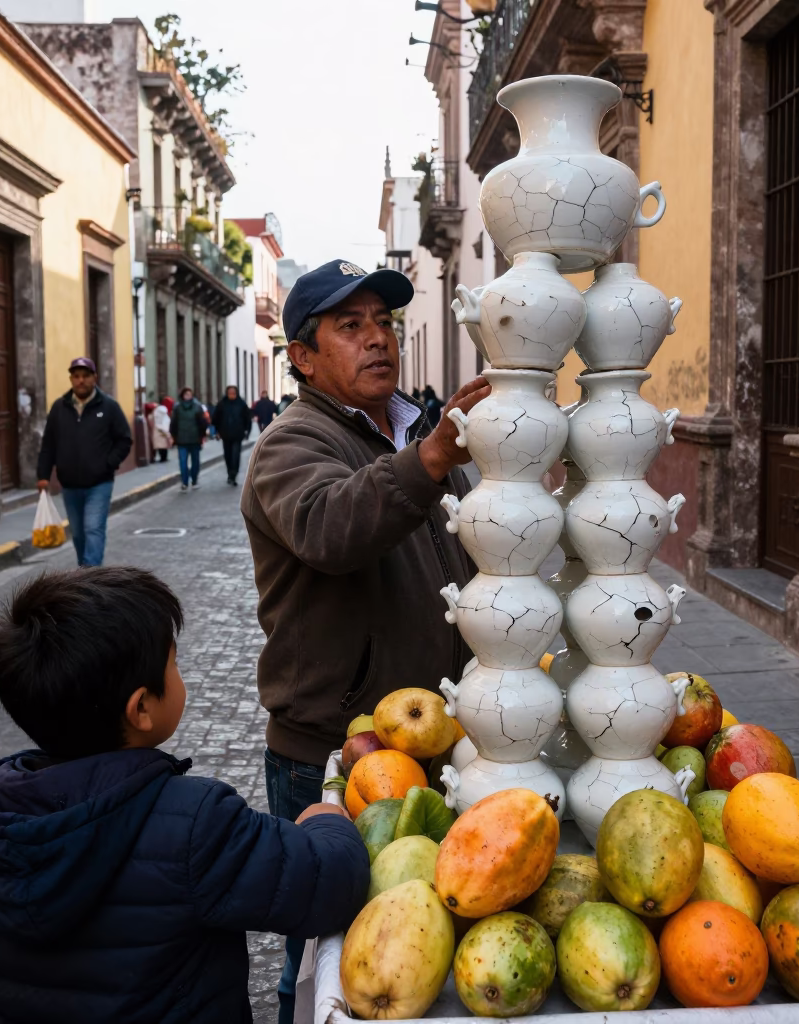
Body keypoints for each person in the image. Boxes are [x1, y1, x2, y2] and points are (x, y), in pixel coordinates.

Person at [0, 565, 368, 1024]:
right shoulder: (195, 823)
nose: (179, 672)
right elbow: (328, 885)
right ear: (142, 708)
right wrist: (326, 820)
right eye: (173, 663)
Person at [241, 258, 489, 1024]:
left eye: (383, 322)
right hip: (336, 750)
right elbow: (331, 528)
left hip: (439, 737)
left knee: (417, 936)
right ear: (304, 359)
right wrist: (433, 459)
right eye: (350, 326)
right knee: (322, 948)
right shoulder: (290, 445)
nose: (377, 339)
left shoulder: (414, 427)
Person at [36, 357, 132, 568]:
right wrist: (43, 475)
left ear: (94, 378)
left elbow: (124, 439)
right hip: (69, 484)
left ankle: (91, 573)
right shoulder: (59, 408)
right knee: (78, 534)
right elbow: (49, 443)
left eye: (85, 376)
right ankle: (85, 571)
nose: (81, 381)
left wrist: (109, 463)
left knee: (93, 528)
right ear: (71, 379)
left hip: (99, 482)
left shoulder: (109, 407)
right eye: (76, 376)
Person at [211, 386, 252, 486]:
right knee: (228, 455)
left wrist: (247, 431)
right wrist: (217, 431)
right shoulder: (222, 404)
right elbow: (216, 419)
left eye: (233, 393)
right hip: (225, 434)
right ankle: (229, 472)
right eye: (230, 393)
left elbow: (247, 419)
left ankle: (233, 474)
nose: (232, 395)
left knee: (235, 455)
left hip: (238, 434)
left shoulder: (241, 404)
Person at [170, 386, 208, 491]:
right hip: (182, 440)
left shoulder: (197, 407)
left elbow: (202, 423)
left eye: (190, 394)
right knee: (183, 462)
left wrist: (202, 436)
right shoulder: (178, 408)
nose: (188, 396)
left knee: (195, 461)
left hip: (195, 439)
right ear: (182, 395)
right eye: (186, 394)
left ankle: (194, 480)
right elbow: (174, 424)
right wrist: (173, 436)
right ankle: (185, 482)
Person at [149, 397, 172, 463]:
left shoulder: (157, 411)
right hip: (163, 429)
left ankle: (163, 458)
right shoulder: (163, 411)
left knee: (161, 445)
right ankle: (164, 458)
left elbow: (156, 420)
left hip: (158, 429)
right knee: (163, 445)